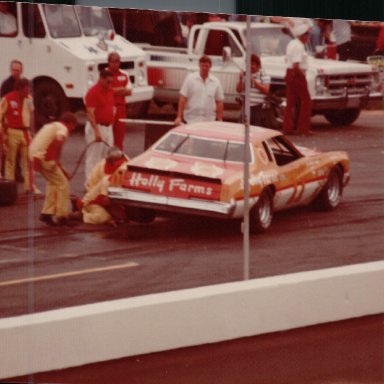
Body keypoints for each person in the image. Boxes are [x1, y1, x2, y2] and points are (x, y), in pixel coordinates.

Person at [29, 112, 78, 226]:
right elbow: (58, 141)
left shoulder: (51, 126)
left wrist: (62, 168)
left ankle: (47, 213)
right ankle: (62, 215)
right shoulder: (63, 129)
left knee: (53, 182)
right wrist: (54, 159)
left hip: (34, 155)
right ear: (69, 123)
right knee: (63, 184)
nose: (73, 129)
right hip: (44, 157)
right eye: (73, 126)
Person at [0, 77, 41, 193]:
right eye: (26, 88)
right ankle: (9, 188)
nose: (28, 91)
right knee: (10, 160)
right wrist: (3, 133)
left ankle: (29, 187)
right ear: (19, 88)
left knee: (28, 160)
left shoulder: (29, 99)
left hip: (26, 132)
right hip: (12, 132)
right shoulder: (7, 98)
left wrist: (33, 132)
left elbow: (32, 115)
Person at [73, 147, 129, 226]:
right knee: (105, 217)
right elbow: (105, 201)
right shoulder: (103, 171)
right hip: (94, 200)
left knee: (122, 215)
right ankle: (81, 214)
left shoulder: (126, 163)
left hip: (105, 195)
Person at [174, 55, 224, 125]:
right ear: (199, 65)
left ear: (210, 67)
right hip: (190, 120)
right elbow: (183, 98)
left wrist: (219, 119)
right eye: (202, 65)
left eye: (206, 66)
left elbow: (219, 102)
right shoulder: (190, 79)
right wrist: (179, 117)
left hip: (209, 122)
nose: (204, 68)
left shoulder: (216, 82)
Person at [84, 69, 115, 181]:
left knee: (107, 156)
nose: (110, 84)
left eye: (112, 82)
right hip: (96, 127)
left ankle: (102, 183)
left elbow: (112, 106)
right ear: (101, 79)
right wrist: (97, 131)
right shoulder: (93, 92)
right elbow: (90, 113)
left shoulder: (110, 90)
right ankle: (89, 183)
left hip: (108, 127)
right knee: (93, 157)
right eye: (108, 81)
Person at [283, 23, 313, 136]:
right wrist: (302, 75)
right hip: (297, 74)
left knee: (290, 102)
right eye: (307, 34)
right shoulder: (299, 46)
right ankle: (303, 128)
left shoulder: (291, 43)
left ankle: (288, 128)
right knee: (306, 100)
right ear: (303, 35)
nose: (308, 37)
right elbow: (296, 65)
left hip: (289, 73)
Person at [1, 60, 24, 181]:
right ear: (11, 70)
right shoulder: (6, 85)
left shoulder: (24, 84)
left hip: (20, 121)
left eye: (18, 70)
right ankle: (7, 173)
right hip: (9, 121)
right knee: (9, 150)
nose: (16, 72)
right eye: (14, 70)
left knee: (19, 151)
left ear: (21, 71)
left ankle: (17, 172)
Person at [236, 53, 271, 127]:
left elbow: (266, 90)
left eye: (252, 64)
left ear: (258, 65)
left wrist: (254, 82)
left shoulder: (264, 76)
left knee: (256, 129)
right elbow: (239, 90)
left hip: (258, 108)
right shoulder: (245, 75)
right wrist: (241, 79)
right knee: (242, 128)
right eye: (248, 64)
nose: (250, 66)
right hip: (245, 107)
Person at [107, 52, 132, 151]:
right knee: (108, 136)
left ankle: (118, 157)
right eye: (113, 62)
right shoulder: (104, 74)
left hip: (121, 108)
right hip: (108, 108)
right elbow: (105, 91)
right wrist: (121, 89)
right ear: (108, 62)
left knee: (119, 135)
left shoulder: (124, 74)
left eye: (117, 62)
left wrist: (114, 90)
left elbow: (129, 91)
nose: (115, 64)